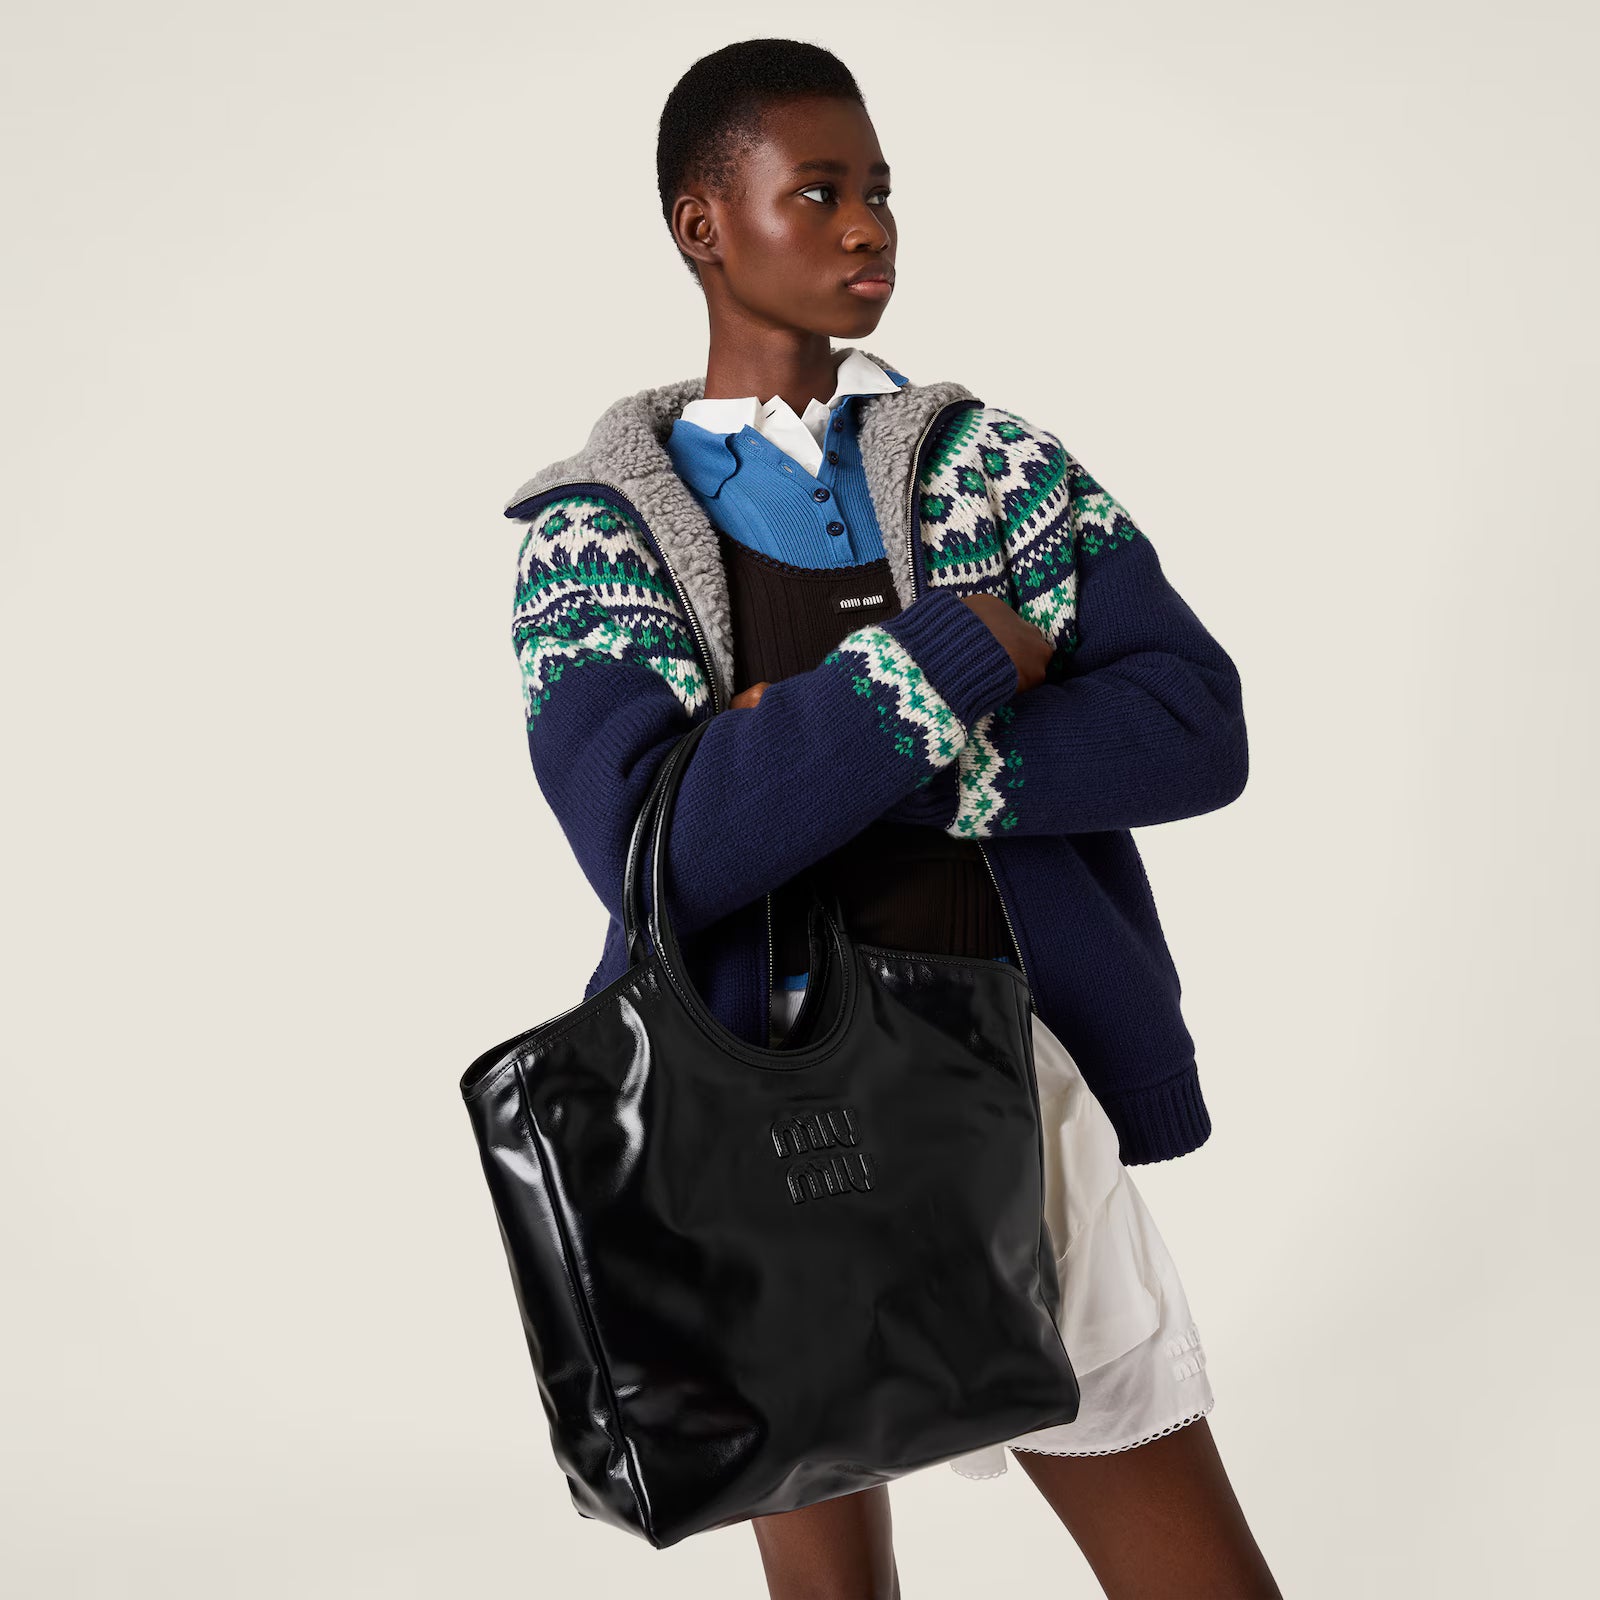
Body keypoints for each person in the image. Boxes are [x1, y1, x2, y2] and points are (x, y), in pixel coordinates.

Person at [503, 36, 1281, 1600]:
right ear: (701, 224)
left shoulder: (1001, 471)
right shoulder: (593, 535)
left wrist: (852, 759)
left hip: (1011, 1101)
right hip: (746, 1129)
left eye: (879, 190)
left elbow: (1198, 728)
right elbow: (665, 844)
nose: (869, 225)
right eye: (817, 191)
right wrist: (953, 659)